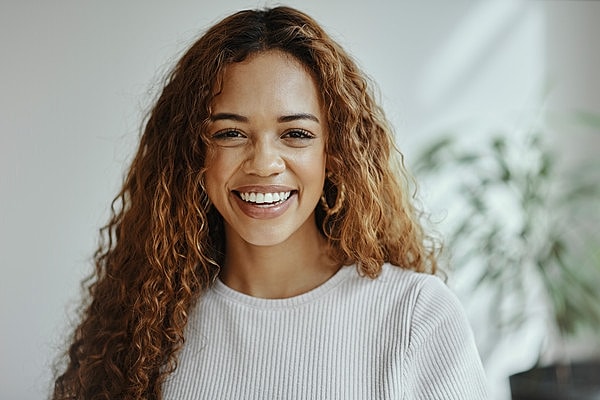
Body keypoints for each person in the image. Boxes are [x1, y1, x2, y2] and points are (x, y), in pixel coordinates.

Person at [52, 6, 488, 400]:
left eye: (295, 134)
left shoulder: (414, 317)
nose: (263, 163)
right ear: (194, 156)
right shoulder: (145, 325)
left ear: (333, 155)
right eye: (230, 133)